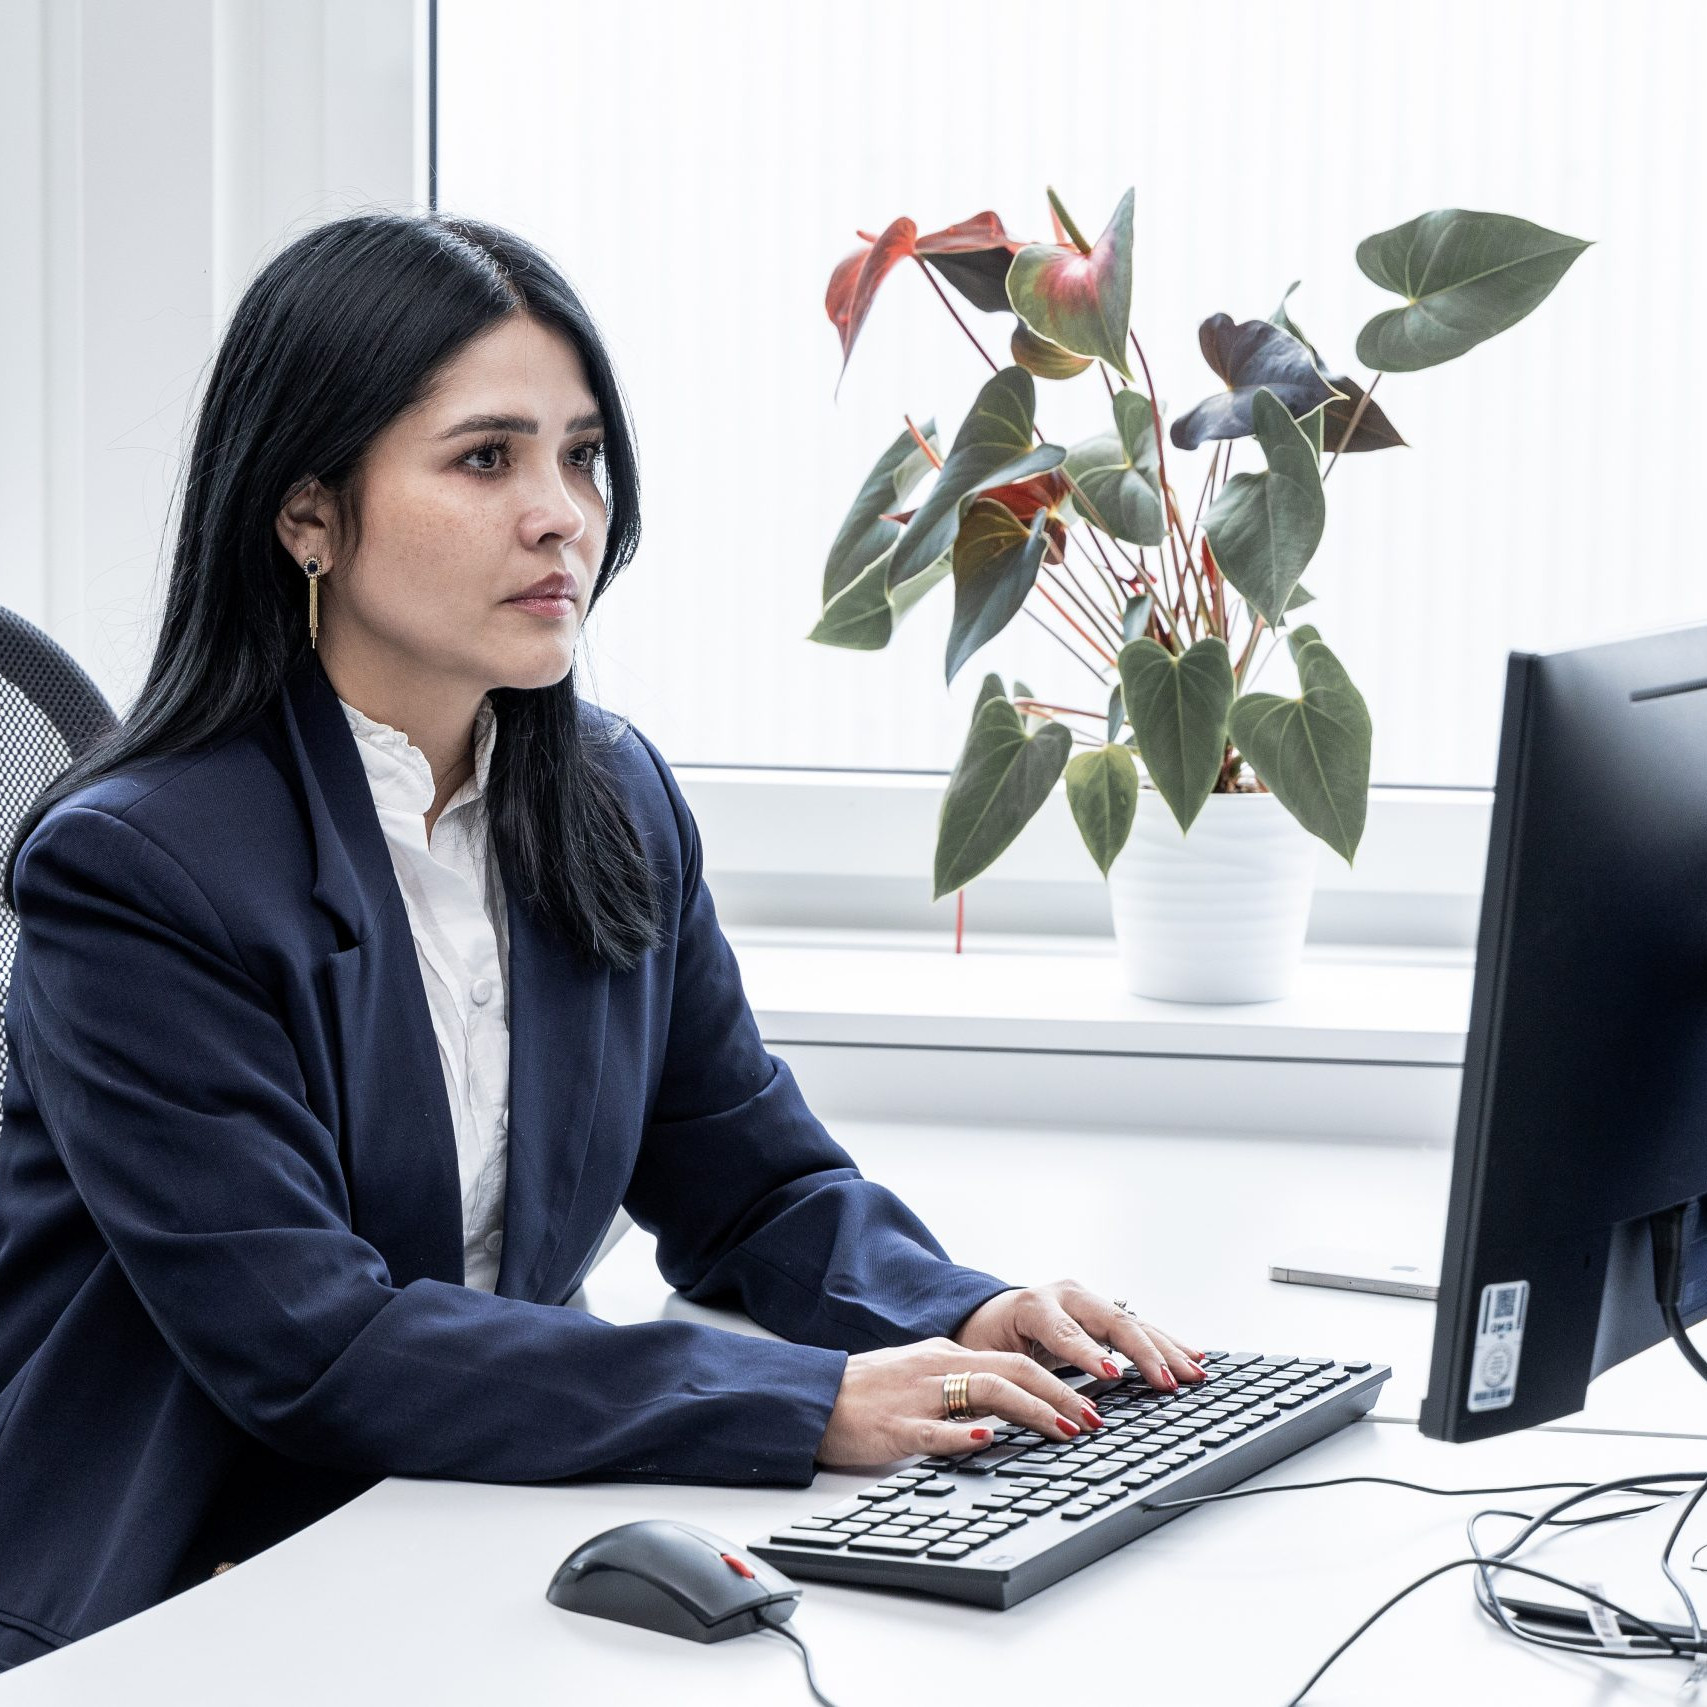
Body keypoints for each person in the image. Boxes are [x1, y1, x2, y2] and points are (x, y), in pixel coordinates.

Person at [0, 210, 1203, 1672]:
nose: (561, 512)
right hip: (187, 1583)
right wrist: (806, 1405)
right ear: (307, 512)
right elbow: (316, 1348)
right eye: (485, 457)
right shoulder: (136, 873)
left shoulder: (607, 799)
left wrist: (968, 1317)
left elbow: (750, 1185)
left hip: (465, 1521)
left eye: (581, 455)